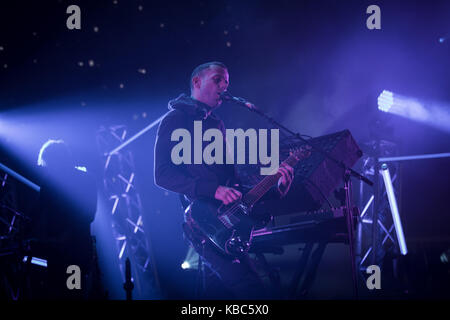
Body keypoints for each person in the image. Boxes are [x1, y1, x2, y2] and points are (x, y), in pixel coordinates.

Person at [154, 62, 294, 299]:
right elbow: (162, 174)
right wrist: (213, 190)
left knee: (251, 287)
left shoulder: (216, 124)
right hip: (204, 223)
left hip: (229, 221)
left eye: (227, 82)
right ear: (197, 82)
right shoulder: (174, 120)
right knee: (251, 289)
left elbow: (234, 185)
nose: (224, 86)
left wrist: (274, 187)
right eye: (217, 79)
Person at [32, 139, 97, 299]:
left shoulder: (84, 180)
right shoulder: (52, 183)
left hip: (74, 251)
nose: (48, 169)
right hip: (65, 251)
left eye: (49, 164)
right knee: (67, 292)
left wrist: (63, 237)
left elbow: (88, 214)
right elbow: (37, 214)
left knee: (71, 293)